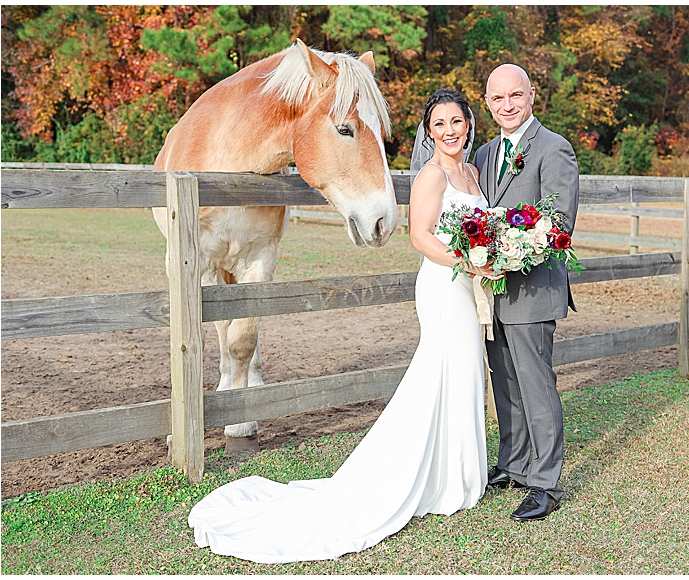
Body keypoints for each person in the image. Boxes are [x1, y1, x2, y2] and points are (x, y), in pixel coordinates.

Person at [187, 88, 496, 563]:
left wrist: (491, 253)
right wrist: (471, 261)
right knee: (439, 371)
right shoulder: (432, 175)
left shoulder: (472, 173)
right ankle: (429, 475)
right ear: (428, 132)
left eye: (457, 122)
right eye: (440, 124)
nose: (450, 131)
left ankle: (457, 474)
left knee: (465, 372)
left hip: (466, 284)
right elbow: (420, 236)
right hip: (444, 285)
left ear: (470, 124)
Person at [472, 64, 580, 522]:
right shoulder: (483, 153)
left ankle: (545, 482)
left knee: (536, 386)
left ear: (532, 95)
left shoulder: (554, 149)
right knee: (505, 383)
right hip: (492, 292)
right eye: (498, 99)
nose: (507, 106)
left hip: (532, 290)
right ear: (488, 103)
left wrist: (507, 252)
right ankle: (513, 464)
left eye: (515, 95)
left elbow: (559, 225)